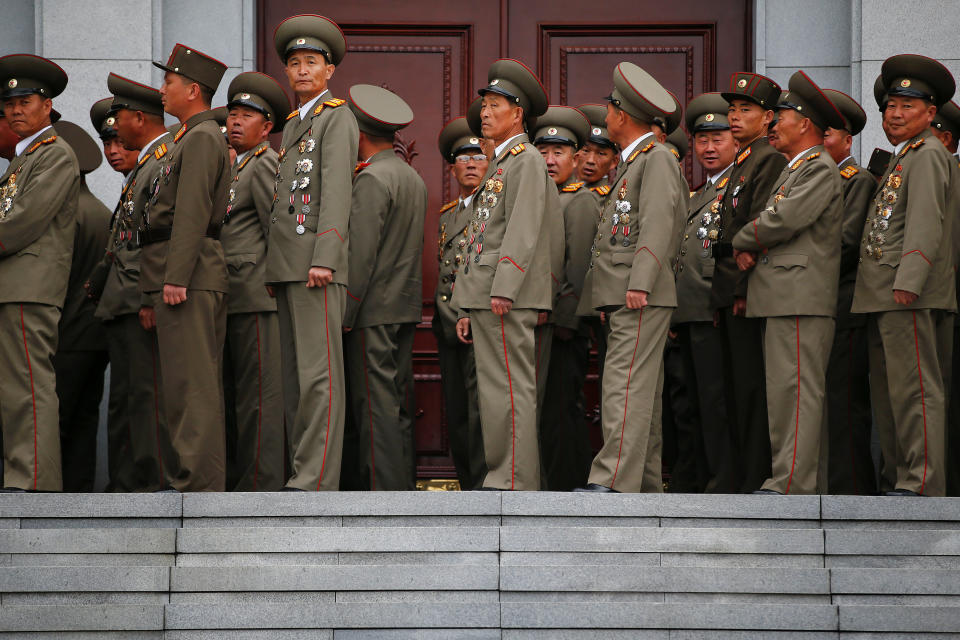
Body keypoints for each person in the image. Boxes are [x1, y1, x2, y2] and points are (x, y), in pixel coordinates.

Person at [732, 71, 845, 495]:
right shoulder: (794, 168)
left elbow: (783, 219)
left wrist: (742, 242)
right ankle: (794, 478)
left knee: (796, 392)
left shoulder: (817, 169)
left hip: (798, 296)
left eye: (782, 117)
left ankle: (793, 482)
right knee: (786, 392)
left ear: (806, 124)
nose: (774, 125)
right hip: (783, 295)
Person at [574, 62, 686, 493]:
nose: (606, 116)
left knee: (625, 386)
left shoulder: (654, 159)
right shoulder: (635, 161)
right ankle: (643, 482)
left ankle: (613, 478)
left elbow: (657, 224)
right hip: (626, 289)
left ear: (622, 114)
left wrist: (639, 282)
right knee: (640, 389)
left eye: (610, 109)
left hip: (638, 291)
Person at [851, 55, 958, 497]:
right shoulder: (904, 156)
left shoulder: (929, 154)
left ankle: (921, 481)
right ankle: (897, 477)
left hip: (905, 290)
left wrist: (909, 279)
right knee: (891, 394)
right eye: (891, 106)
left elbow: (926, 222)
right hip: (882, 290)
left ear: (930, 113)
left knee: (916, 390)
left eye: (906, 107)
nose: (894, 114)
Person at [451, 58, 552, 491]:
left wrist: (505, 288)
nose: (486, 113)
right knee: (495, 394)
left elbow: (524, 229)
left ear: (518, 114)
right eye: (485, 105)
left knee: (510, 391)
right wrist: (466, 301)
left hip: (503, 294)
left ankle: (514, 478)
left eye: (496, 105)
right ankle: (503, 474)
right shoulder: (501, 162)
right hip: (485, 292)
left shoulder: (525, 159)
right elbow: (481, 233)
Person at [267, 15, 358, 491]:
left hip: (315, 265)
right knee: (296, 380)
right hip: (287, 264)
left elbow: (337, 191)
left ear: (329, 72)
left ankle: (316, 478)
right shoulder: (293, 123)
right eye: (295, 63)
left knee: (319, 376)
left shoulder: (337, 117)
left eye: (312, 63)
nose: (302, 71)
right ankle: (302, 471)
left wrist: (326, 255)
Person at [143, 43, 231, 491]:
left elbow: (193, 211)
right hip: (185, 272)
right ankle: (188, 478)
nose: (162, 90)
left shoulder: (199, 137)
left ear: (192, 90)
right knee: (182, 383)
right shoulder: (190, 136)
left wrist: (176, 276)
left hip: (189, 276)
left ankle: (196, 485)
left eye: (169, 82)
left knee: (192, 386)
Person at [89, 74, 174, 492]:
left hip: (140, 299)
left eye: (120, 130)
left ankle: (148, 482)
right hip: (120, 302)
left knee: (146, 397)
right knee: (124, 399)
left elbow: (158, 239)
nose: (114, 147)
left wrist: (149, 298)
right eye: (108, 142)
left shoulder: (160, 163)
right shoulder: (140, 173)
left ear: (138, 121)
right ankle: (125, 482)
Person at [0, 54, 80, 491]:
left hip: (30, 288)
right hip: (14, 287)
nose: (15, 109)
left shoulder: (55, 155)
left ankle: (34, 482)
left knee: (28, 387)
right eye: (8, 103)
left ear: (47, 105)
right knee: (14, 389)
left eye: (25, 100)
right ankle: (23, 476)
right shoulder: (25, 157)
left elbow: (23, 222)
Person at [343, 84, 427, 490]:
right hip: (404, 306)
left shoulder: (372, 179)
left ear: (358, 134)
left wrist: (346, 309)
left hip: (371, 310)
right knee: (395, 403)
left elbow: (360, 254)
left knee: (374, 405)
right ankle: (401, 487)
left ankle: (382, 495)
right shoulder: (410, 176)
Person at [711, 71, 786, 492]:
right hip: (726, 288)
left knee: (751, 389)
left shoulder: (768, 159)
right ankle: (740, 476)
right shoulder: (743, 159)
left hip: (744, 290)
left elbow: (755, 229)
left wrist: (741, 291)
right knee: (733, 390)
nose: (735, 117)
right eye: (733, 110)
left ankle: (755, 474)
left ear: (768, 118)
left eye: (746, 110)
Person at [221, 71, 289, 491]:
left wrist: (272, 281)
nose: (235, 122)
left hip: (257, 296)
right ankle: (237, 480)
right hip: (230, 295)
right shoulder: (234, 167)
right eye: (232, 114)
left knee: (260, 401)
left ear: (266, 128)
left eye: (247, 116)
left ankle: (261, 486)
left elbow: (276, 227)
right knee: (234, 398)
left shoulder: (264, 165)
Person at [668, 92, 738, 493]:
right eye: (701, 140)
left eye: (718, 138)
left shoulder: (738, 186)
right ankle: (691, 478)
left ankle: (721, 479)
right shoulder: (695, 194)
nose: (708, 148)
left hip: (713, 310)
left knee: (715, 402)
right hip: (686, 313)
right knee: (687, 404)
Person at [534, 106, 598, 490]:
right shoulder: (538, 197)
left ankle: (567, 484)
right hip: (536, 324)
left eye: (558, 153)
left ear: (575, 159)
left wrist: (565, 320)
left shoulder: (580, 201)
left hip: (562, 325)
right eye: (543, 151)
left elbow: (578, 268)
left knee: (560, 406)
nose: (549, 160)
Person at [821, 88, 877, 495]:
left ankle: (851, 490)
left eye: (827, 134)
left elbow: (846, 243)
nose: (820, 142)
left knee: (843, 402)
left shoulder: (855, 181)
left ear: (846, 139)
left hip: (842, 306)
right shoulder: (807, 178)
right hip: (818, 305)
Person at [52, 120, 111, 492]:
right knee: (84, 424)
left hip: (64, 336)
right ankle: (79, 497)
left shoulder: (65, 214)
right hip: (94, 337)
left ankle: (48, 501)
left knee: (54, 424)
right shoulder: (101, 211)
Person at [434, 117, 487, 490]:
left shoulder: (492, 209)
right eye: (463, 158)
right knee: (457, 413)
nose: (470, 164)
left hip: (478, 323)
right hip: (447, 324)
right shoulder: (448, 214)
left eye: (478, 156)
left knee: (480, 413)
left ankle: (485, 485)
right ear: (452, 167)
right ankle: (467, 482)